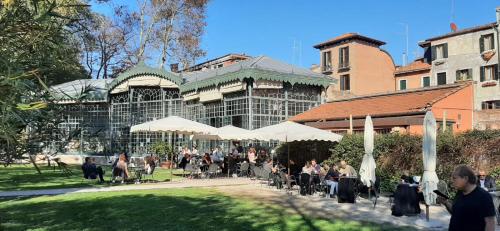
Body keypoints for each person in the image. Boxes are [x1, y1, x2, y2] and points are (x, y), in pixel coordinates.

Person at [437, 165, 496, 231]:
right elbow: (456, 212)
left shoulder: (484, 196)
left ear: (465, 178)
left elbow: (490, 223)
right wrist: (446, 203)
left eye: (454, 178)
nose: (452, 181)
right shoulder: (459, 193)